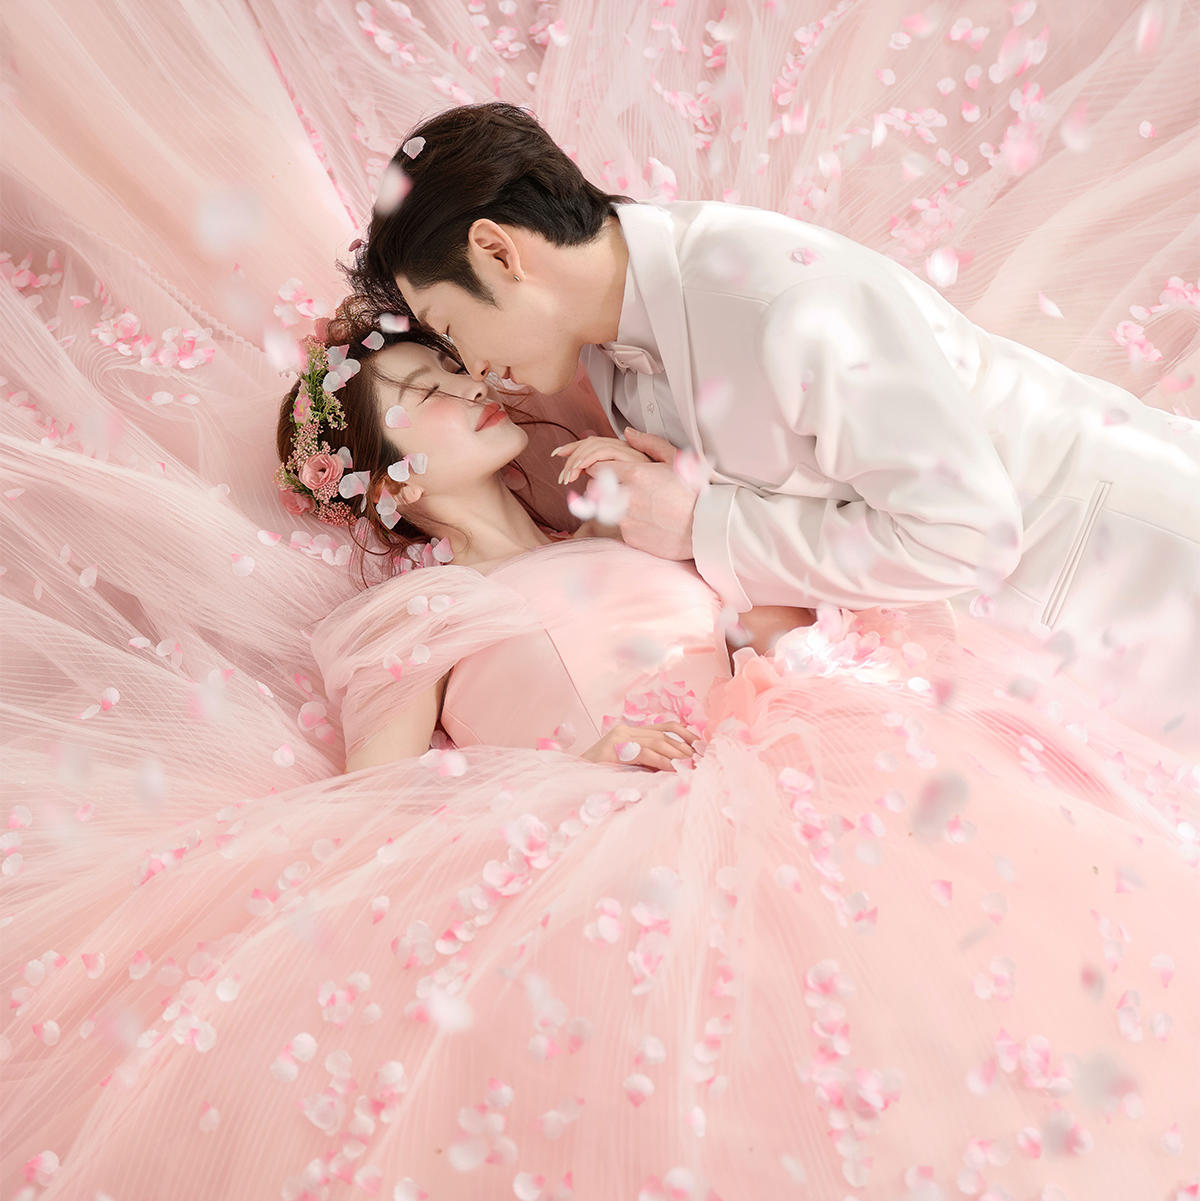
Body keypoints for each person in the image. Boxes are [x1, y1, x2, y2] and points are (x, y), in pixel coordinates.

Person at [10, 316, 1198, 1201]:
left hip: (787, 755)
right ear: (390, 476)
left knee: (963, 993)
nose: (464, 388)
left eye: (451, 369)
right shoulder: (410, 615)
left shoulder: (619, 517)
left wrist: (692, 518)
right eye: (422, 393)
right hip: (621, 844)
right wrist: (580, 758)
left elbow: (767, 612)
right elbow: (376, 809)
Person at [349, 102, 1200, 752]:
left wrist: (703, 521)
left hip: (1126, 571)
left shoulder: (779, 300)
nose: (473, 366)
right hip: (1017, 655)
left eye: (452, 329)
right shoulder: (606, 349)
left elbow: (965, 534)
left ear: (500, 253)